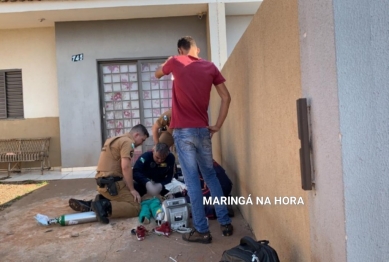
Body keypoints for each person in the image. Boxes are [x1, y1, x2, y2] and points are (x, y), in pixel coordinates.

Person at [155, 36, 232, 244]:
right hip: (203, 130)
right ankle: (225, 223)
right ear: (196, 49)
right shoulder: (210, 67)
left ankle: (202, 230)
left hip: (184, 133)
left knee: (192, 182)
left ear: (181, 50)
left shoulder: (176, 61)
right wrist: (217, 125)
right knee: (211, 176)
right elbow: (226, 97)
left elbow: (157, 74)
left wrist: (169, 61)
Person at [68, 124, 149, 224]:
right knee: (136, 206)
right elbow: (126, 167)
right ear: (136, 135)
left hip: (102, 183)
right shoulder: (128, 142)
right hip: (112, 184)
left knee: (133, 187)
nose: (141, 143)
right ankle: (104, 206)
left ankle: (94, 203)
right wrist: (132, 189)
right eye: (142, 140)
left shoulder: (113, 139)